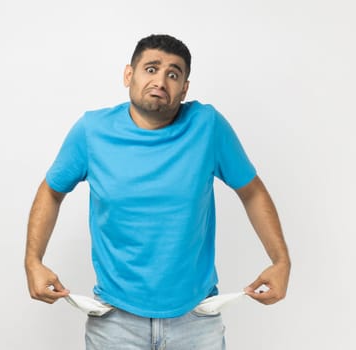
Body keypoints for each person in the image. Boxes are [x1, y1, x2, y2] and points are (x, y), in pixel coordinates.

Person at [25, 34, 291, 349]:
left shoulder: (207, 126)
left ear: (185, 88)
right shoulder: (91, 131)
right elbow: (51, 191)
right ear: (129, 75)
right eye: (151, 69)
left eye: (173, 74)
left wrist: (280, 261)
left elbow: (251, 191)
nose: (161, 80)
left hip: (196, 320)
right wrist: (33, 261)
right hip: (115, 321)